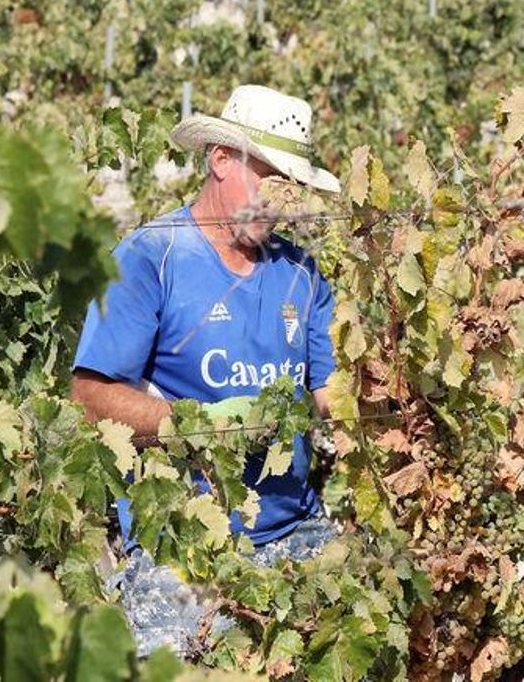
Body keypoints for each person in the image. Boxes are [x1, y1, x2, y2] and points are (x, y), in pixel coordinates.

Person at [72, 84, 344, 562]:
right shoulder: (149, 258)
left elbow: (330, 391)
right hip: (178, 541)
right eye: (268, 180)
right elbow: (89, 399)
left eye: (290, 189)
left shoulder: (300, 273)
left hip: (297, 529)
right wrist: (194, 425)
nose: (277, 203)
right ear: (220, 159)